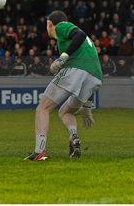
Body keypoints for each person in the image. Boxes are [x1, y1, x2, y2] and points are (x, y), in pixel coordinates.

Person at [24, 10, 102, 161]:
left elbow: (80, 35)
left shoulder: (62, 26)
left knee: (43, 108)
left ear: (49, 24)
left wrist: (63, 57)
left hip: (77, 69)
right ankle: (74, 137)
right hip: (95, 76)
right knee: (65, 112)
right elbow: (88, 65)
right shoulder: (79, 44)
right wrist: (87, 105)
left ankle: (39, 151)